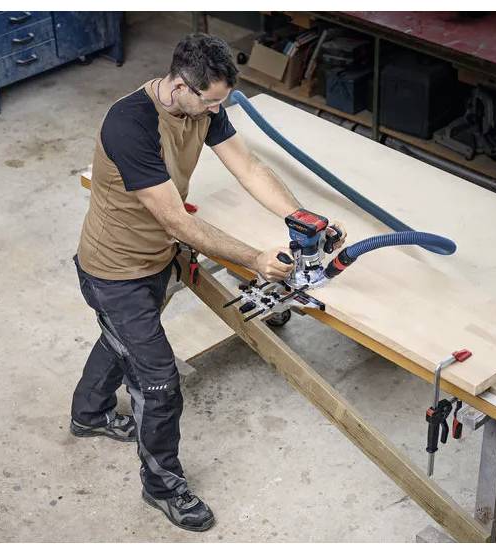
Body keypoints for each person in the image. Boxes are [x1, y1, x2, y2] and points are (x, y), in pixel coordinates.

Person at [70, 33, 347, 532]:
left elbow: (248, 166)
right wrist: (256, 258)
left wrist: (300, 215)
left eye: (222, 101)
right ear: (180, 86)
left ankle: (88, 413)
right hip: (114, 270)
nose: (218, 111)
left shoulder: (204, 105)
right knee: (158, 383)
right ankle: (163, 487)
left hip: (157, 258)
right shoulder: (129, 124)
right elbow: (177, 220)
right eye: (211, 102)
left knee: (124, 339)